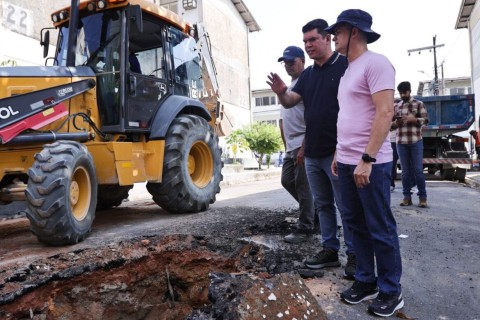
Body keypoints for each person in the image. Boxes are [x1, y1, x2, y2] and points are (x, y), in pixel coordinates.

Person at [326, 9, 404, 317]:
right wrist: (338, 151)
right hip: (346, 161)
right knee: (355, 224)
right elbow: (347, 116)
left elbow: (385, 113)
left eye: (337, 33)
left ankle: (391, 290)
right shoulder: (348, 70)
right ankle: (366, 280)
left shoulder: (377, 64)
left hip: (370, 163)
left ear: (354, 32)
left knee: (379, 226)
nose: (333, 38)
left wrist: (367, 159)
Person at [267, 19, 356, 279]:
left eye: (312, 40)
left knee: (346, 205)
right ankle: (330, 250)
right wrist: (282, 92)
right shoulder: (307, 75)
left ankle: (354, 255)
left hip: (338, 151)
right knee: (324, 205)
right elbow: (291, 102)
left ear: (327, 38)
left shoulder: (344, 65)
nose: (308, 45)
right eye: (305, 41)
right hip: (314, 153)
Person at [276, 46, 316, 244]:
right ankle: (314, 213)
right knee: (287, 181)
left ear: (302, 61)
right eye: (285, 62)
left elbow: (312, 117)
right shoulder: (288, 87)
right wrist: (286, 146)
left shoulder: (306, 83)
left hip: (303, 143)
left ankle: (306, 227)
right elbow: (283, 119)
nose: (288, 66)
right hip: (290, 147)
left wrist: (304, 146)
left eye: (291, 62)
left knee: (303, 186)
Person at [393, 81, 429, 208]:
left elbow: (426, 120)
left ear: (409, 91)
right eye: (401, 93)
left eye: (405, 92)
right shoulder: (396, 106)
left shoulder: (419, 104)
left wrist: (413, 119)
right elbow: (390, 126)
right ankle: (406, 197)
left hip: (416, 141)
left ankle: (422, 198)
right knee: (405, 172)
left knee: (418, 170)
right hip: (401, 142)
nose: (403, 95)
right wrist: (396, 124)